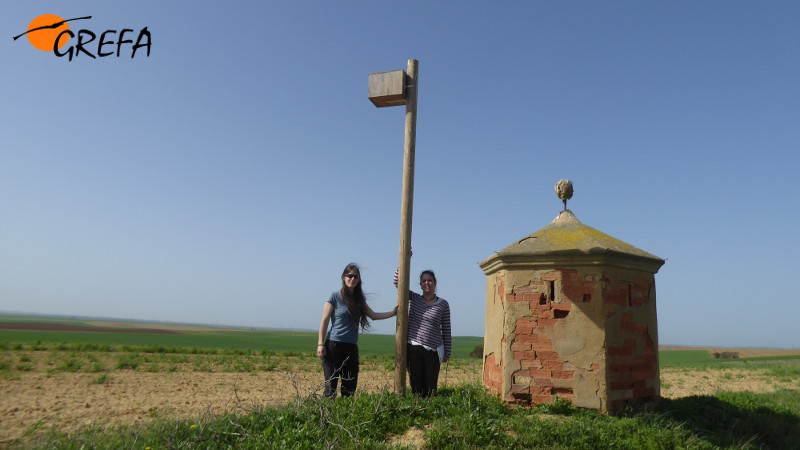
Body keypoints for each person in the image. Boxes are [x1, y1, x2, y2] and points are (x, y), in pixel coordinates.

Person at [317, 263, 397, 398]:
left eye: (355, 277)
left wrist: (394, 313)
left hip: (351, 348)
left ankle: (346, 416)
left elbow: (373, 315)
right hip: (333, 346)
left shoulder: (359, 300)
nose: (352, 279)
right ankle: (327, 416)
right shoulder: (335, 297)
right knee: (331, 387)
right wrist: (320, 344)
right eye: (349, 276)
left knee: (349, 387)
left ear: (359, 280)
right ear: (343, 277)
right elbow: (324, 321)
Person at [394, 267, 452, 396]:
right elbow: (398, 283)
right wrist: (402, 263)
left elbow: (447, 330)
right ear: (420, 284)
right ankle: (417, 412)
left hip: (433, 351)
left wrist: (447, 352)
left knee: (431, 387)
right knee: (416, 386)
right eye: (423, 281)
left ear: (435, 283)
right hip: (414, 348)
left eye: (429, 280)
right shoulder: (414, 298)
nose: (427, 283)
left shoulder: (443, 304)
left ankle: (430, 413)